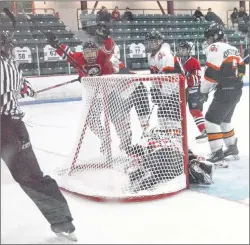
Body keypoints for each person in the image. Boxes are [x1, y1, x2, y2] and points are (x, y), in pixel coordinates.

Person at [0, 32, 77, 241]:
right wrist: (25, 89)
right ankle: (61, 221)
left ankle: (61, 220)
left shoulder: (6, 66)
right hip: (9, 128)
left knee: (30, 177)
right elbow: (26, 89)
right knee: (31, 177)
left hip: (7, 128)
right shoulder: (11, 64)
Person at [45, 23, 133, 153]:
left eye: (93, 52)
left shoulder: (103, 56)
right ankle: (105, 139)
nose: (90, 55)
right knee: (92, 121)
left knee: (118, 117)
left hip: (109, 93)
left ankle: (126, 141)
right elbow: (66, 53)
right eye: (87, 53)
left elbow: (109, 49)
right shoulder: (78, 58)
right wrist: (56, 44)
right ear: (83, 53)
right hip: (95, 97)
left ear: (97, 52)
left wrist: (107, 37)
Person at [200, 23, 246, 167]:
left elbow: (211, 75)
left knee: (210, 121)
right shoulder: (232, 48)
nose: (208, 41)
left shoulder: (215, 47)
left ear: (214, 36)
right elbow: (242, 70)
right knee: (225, 120)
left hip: (226, 90)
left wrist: (203, 92)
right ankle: (232, 148)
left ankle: (217, 153)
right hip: (237, 89)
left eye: (209, 37)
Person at [126, 127, 213, 192]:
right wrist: (196, 159)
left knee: (148, 172)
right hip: (176, 164)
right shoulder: (175, 141)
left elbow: (135, 153)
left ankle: (143, 179)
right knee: (193, 164)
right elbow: (189, 154)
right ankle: (195, 168)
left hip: (156, 161)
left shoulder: (148, 141)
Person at [144, 30, 184, 133]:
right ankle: (168, 144)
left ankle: (182, 146)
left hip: (178, 89)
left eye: (153, 42)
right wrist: (155, 90)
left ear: (159, 42)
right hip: (166, 89)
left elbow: (171, 77)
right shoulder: (151, 56)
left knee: (173, 119)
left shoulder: (164, 53)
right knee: (162, 117)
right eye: (149, 42)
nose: (150, 44)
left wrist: (163, 95)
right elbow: (155, 76)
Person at [178, 41, 207, 142]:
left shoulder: (194, 62)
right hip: (180, 91)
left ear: (188, 50)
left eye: (184, 49)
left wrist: (184, 73)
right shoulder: (177, 61)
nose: (181, 51)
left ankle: (204, 131)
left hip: (193, 91)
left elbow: (195, 80)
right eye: (180, 49)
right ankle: (176, 133)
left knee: (194, 110)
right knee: (178, 113)